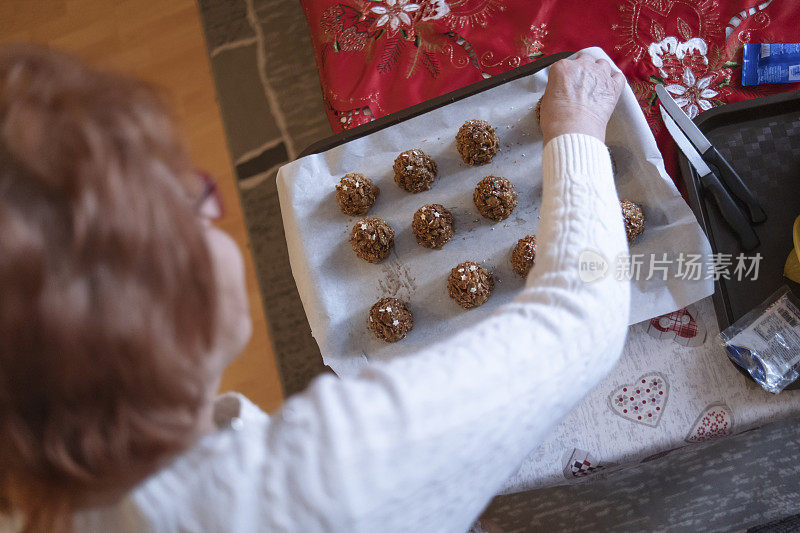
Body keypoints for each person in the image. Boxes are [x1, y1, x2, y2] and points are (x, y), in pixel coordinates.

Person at [0, 44, 628, 532]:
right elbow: (582, 320)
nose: (213, 216)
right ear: (158, 318)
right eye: (192, 207)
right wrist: (575, 130)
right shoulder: (313, 482)